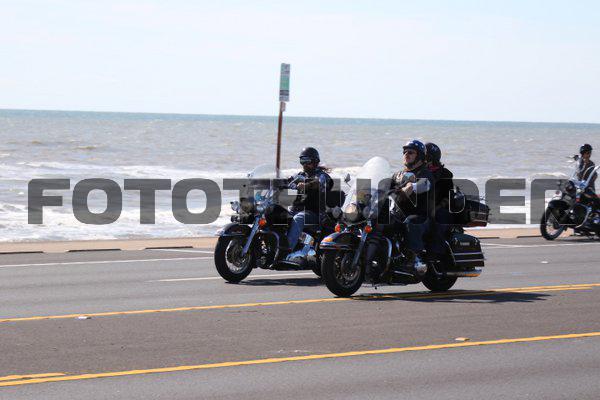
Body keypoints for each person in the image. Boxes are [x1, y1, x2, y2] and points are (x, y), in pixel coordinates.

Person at [389, 139, 435, 273]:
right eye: (405, 152)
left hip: (421, 216)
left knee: (411, 221)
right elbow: (385, 187)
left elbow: (425, 184)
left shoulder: (425, 173)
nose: (406, 154)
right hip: (399, 213)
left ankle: (414, 258)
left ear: (419, 156)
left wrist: (412, 187)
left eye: (410, 152)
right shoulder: (398, 175)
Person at [285, 147, 333, 255]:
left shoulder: (322, 176)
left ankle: (286, 251)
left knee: (299, 218)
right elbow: (287, 181)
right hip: (295, 210)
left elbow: (320, 182)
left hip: (313, 214)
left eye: (307, 161)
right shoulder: (300, 175)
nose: (304, 164)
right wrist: (268, 183)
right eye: (302, 161)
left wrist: (307, 185)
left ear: (315, 161)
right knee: (277, 214)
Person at [425, 142, 454, 255]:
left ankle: (435, 253)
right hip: (422, 207)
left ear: (432, 158)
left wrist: (435, 208)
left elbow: (448, 197)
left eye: (426, 157)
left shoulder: (445, 174)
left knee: (439, 218)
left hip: (439, 207)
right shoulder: (418, 172)